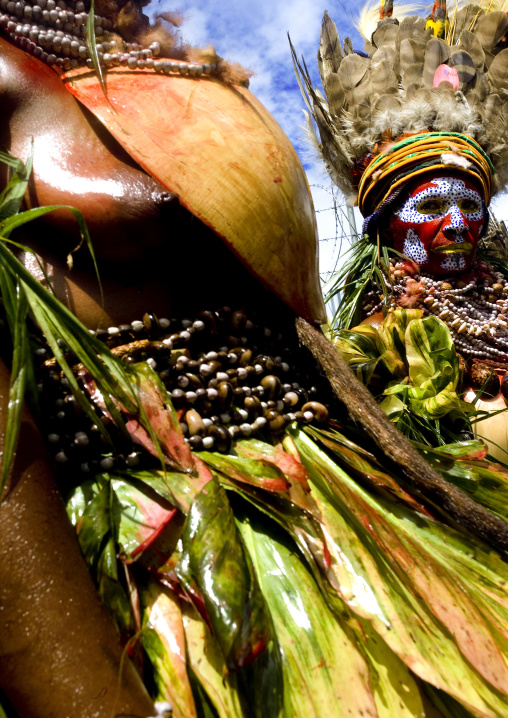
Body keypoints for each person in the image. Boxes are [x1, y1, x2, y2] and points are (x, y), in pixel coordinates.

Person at [2, 1, 508, 717]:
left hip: (348, 512)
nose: (456, 224)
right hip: (168, 566)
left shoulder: (149, 58)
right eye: (432, 205)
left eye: (470, 205)